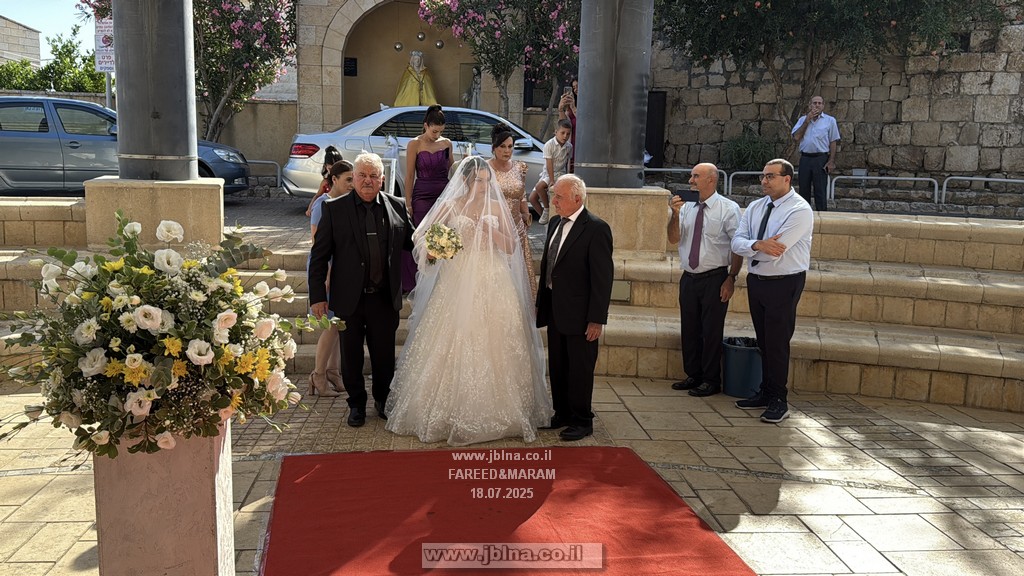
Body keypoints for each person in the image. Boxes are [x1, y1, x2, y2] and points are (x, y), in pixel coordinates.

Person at [385, 157, 552, 446]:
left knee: (495, 340)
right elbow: (421, 236)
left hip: (493, 277)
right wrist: (435, 250)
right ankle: (447, 411)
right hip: (458, 279)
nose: (485, 186)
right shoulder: (451, 205)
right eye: (479, 181)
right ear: (465, 181)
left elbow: (511, 245)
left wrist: (491, 231)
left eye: (487, 181)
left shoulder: (497, 206)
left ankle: (501, 410)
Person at [308, 152, 415, 427]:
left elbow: (414, 242)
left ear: (382, 179)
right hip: (349, 299)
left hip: (384, 298)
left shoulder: (396, 206)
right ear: (353, 178)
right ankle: (356, 404)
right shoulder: (334, 209)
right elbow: (319, 257)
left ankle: (382, 400)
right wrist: (317, 297)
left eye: (373, 176)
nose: (368, 180)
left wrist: (438, 245)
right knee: (351, 357)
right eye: (362, 175)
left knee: (384, 356)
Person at [730, 159, 813, 424]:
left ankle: (779, 399)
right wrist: (757, 245)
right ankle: (765, 392)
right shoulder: (756, 207)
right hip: (757, 281)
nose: (764, 181)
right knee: (764, 340)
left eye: (770, 176)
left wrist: (753, 248)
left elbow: (777, 250)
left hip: (784, 282)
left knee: (777, 343)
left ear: (787, 179)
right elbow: (736, 242)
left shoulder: (799, 210)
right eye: (763, 176)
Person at [536, 174, 614, 442]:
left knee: (580, 369)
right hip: (555, 309)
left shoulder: (596, 229)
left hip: (581, 315)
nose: (553, 201)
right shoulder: (554, 222)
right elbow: (549, 266)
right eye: (553, 196)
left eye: (559, 197)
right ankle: (562, 413)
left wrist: (596, 319)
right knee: (558, 365)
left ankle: (582, 420)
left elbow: (602, 279)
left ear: (577, 199)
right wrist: (541, 303)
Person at [666, 163, 742, 398]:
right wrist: (675, 214)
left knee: (711, 331)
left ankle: (711, 380)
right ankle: (694, 374)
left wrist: (731, 278)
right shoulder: (686, 207)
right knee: (689, 328)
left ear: (711, 179)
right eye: (691, 176)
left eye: (696, 176)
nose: (691, 180)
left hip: (715, 277)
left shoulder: (728, 209)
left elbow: (738, 246)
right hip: (689, 277)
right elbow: (673, 239)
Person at [305, 160, 354, 398]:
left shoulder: (344, 202)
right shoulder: (322, 205)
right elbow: (318, 245)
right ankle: (318, 374)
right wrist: (325, 277)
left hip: (340, 269)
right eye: (348, 179)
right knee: (331, 325)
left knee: (339, 324)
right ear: (334, 179)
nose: (352, 184)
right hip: (327, 270)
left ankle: (334, 372)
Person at [402, 105, 453, 293]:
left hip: (443, 194)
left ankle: (438, 279)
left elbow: (453, 169)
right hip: (422, 194)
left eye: (440, 131)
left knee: (442, 234)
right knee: (421, 235)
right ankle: (416, 281)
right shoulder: (414, 144)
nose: (437, 135)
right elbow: (409, 176)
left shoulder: (446, 143)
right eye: (434, 131)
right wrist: (408, 202)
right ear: (426, 125)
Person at [487, 123, 535, 298]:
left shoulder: (520, 167)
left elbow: (522, 195)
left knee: (519, 274)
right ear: (494, 148)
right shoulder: (486, 168)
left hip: (517, 227)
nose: (507, 151)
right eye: (502, 146)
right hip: (496, 227)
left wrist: (526, 215)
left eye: (510, 146)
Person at [791, 95, 840, 211]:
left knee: (820, 190)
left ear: (823, 106)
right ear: (810, 105)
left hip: (820, 158)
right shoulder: (802, 120)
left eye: (819, 103)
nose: (817, 105)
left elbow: (833, 141)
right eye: (814, 103)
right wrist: (807, 121)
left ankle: (822, 215)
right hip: (805, 158)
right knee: (803, 190)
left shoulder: (830, 121)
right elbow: (796, 137)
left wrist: (831, 161)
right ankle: (804, 215)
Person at [529, 119, 573, 225]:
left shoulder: (569, 146)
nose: (565, 136)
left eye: (568, 134)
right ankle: (547, 216)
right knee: (532, 198)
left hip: (560, 173)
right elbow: (549, 164)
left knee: (539, 187)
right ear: (556, 132)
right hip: (549, 173)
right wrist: (552, 180)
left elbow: (568, 162)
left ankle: (547, 210)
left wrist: (568, 177)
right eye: (562, 133)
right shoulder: (549, 145)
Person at [305, 146, 343, 217]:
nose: (333, 171)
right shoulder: (326, 182)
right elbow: (317, 196)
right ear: (326, 167)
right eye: (330, 169)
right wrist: (310, 208)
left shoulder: (345, 180)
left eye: (335, 168)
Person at [558, 78, 578, 171]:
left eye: (577, 86)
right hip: (571, 145)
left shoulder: (588, 104)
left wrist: (573, 107)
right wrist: (561, 109)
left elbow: (584, 122)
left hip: (583, 145)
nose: (576, 89)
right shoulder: (571, 105)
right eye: (574, 88)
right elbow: (564, 124)